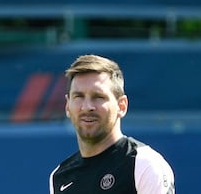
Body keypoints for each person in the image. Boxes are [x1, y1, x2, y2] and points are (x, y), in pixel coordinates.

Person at [49, 55, 175, 194]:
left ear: (122, 106)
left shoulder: (144, 164)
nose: (87, 107)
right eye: (79, 96)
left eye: (98, 97)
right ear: (67, 106)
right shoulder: (59, 176)